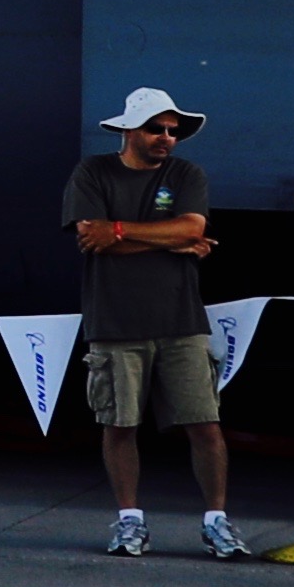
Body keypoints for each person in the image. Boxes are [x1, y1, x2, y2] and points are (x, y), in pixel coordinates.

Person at [69, 82, 241, 560]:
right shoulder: (93, 173)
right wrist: (173, 243)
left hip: (182, 320)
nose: (167, 137)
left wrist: (120, 230)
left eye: (173, 130)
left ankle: (216, 521)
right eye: (156, 128)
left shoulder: (186, 173)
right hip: (115, 320)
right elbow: (89, 237)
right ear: (128, 131)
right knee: (120, 424)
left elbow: (192, 228)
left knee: (205, 422)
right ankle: (129, 520)